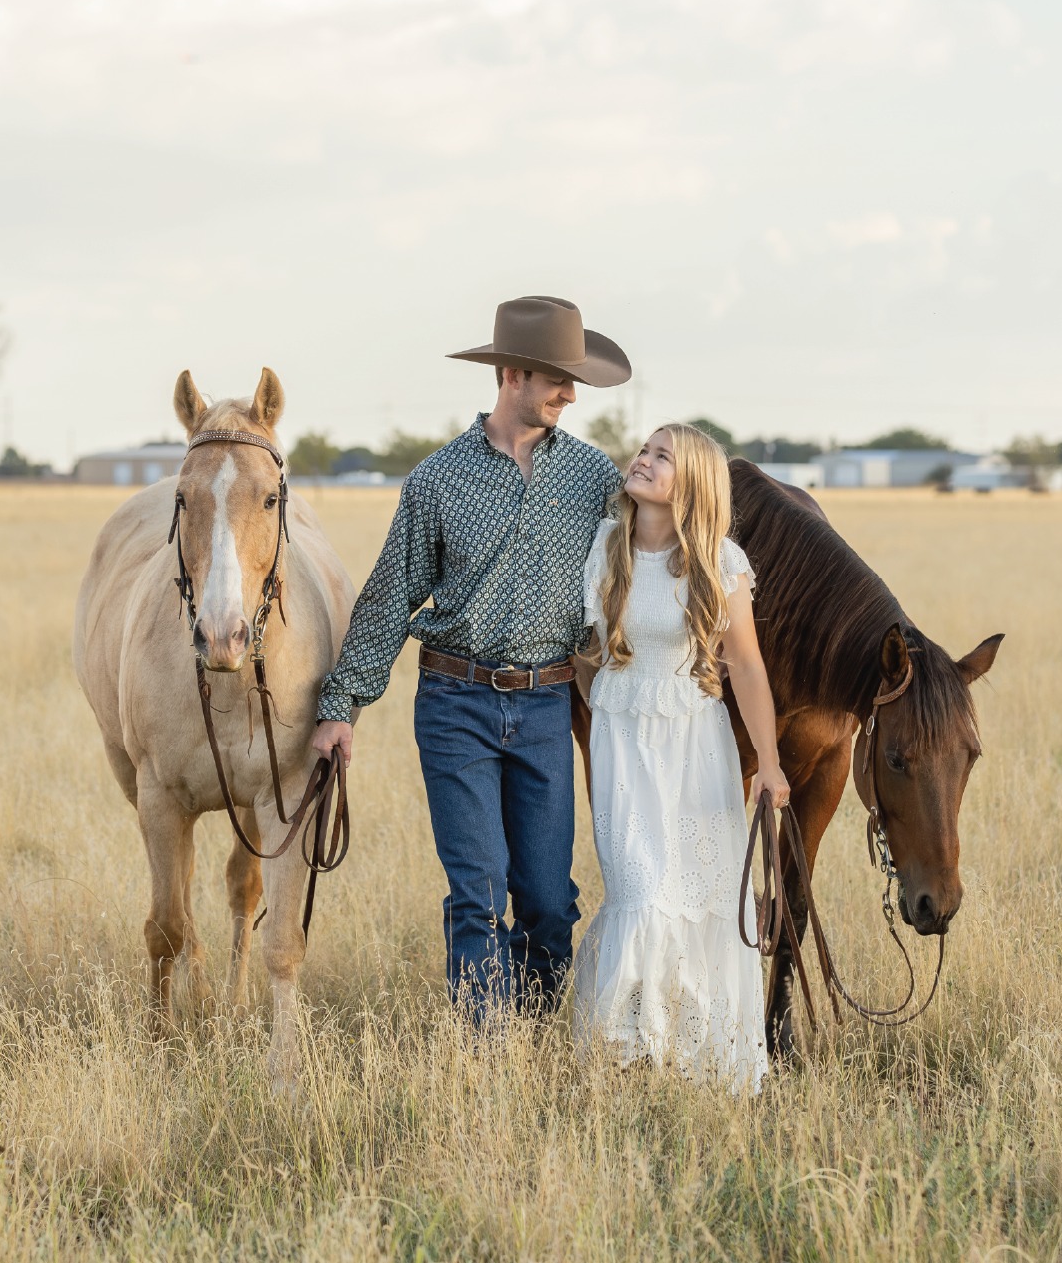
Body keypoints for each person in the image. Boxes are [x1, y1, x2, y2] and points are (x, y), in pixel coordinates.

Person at [313, 296, 630, 1021]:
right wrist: (341, 707)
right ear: (514, 373)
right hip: (455, 705)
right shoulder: (435, 480)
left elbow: (644, 566)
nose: (571, 394)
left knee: (550, 902)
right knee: (478, 893)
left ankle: (537, 1027)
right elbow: (389, 597)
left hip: (549, 705)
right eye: (558, 379)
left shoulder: (592, 477)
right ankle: (486, 1059)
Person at [573, 423, 789, 1091]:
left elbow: (746, 668)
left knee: (699, 897)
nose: (641, 459)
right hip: (622, 743)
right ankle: (626, 1058)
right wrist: (607, 706)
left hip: (696, 746)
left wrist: (770, 764)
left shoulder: (717, 561)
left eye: (660, 456)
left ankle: (699, 1066)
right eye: (644, 449)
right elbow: (587, 656)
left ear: (689, 483)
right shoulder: (607, 547)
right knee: (638, 890)